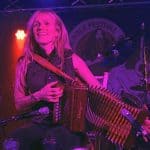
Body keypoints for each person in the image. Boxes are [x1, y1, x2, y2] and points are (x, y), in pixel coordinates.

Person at [3, 10, 101, 150]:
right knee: (12, 142)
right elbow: (18, 104)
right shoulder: (24, 63)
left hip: (68, 127)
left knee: (52, 141)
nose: (40, 27)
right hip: (38, 124)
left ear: (57, 32)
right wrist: (39, 95)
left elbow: (99, 91)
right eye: (36, 24)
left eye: (46, 23)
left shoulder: (72, 59)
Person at [107, 41, 150, 149]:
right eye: (136, 53)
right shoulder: (116, 73)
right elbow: (114, 100)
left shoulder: (146, 71)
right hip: (125, 120)